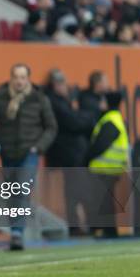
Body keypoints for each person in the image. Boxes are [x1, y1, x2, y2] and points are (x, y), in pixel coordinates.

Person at [0, 64, 57, 250]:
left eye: (23, 77)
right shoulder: (1, 97)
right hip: (7, 152)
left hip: (29, 152)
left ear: (28, 79)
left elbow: (51, 127)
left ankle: (17, 233)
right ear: (11, 78)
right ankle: (15, 229)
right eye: (16, 77)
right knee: (11, 192)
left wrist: (38, 147)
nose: (19, 81)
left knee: (21, 189)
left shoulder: (38, 99)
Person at [44, 69, 98, 236]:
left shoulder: (61, 101)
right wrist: (89, 118)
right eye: (61, 83)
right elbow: (73, 122)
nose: (65, 87)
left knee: (74, 191)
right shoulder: (55, 102)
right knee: (78, 191)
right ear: (55, 85)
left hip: (71, 155)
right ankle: (80, 225)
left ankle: (79, 225)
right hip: (69, 155)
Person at [86, 91, 130, 239]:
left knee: (103, 201)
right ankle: (109, 231)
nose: (100, 104)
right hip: (113, 167)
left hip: (104, 167)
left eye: (102, 100)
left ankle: (108, 231)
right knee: (106, 200)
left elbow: (100, 144)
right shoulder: (116, 119)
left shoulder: (110, 120)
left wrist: (86, 158)